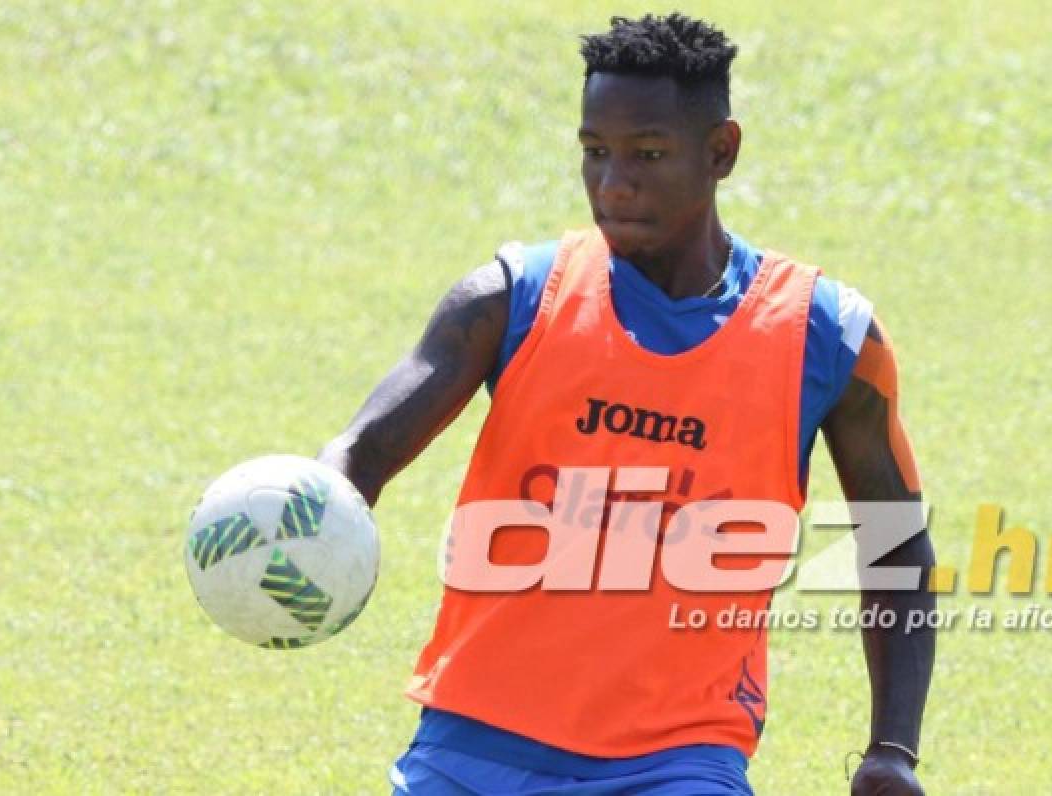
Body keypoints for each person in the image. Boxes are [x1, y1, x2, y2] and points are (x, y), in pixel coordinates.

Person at [320, 13, 935, 795]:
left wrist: (893, 747)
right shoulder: (509, 299)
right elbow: (361, 454)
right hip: (471, 747)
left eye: (647, 154)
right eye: (594, 152)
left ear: (721, 152)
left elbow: (895, 543)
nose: (613, 184)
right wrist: (301, 513)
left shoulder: (827, 335)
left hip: (680, 760)